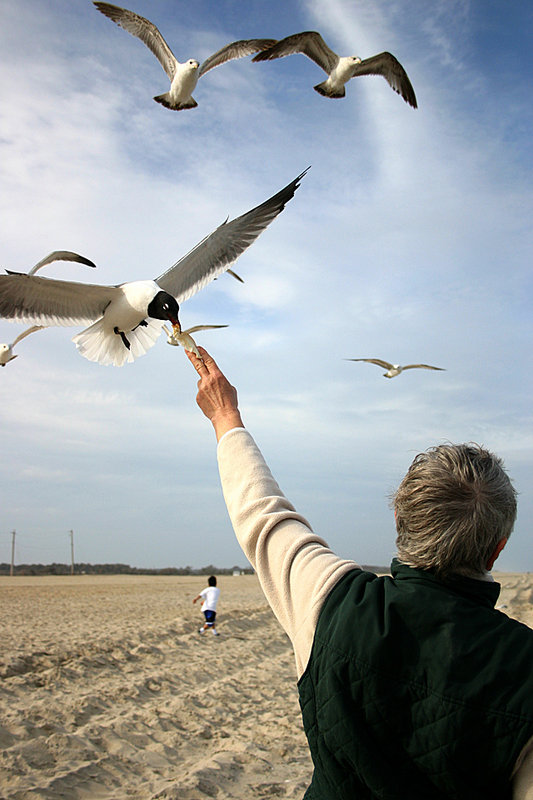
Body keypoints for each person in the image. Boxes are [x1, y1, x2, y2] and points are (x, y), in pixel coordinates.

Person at [186, 346, 533, 800]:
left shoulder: (335, 602)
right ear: (497, 549)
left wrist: (226, 417)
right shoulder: (524, 665)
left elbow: (264, 516)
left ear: (398, 519)